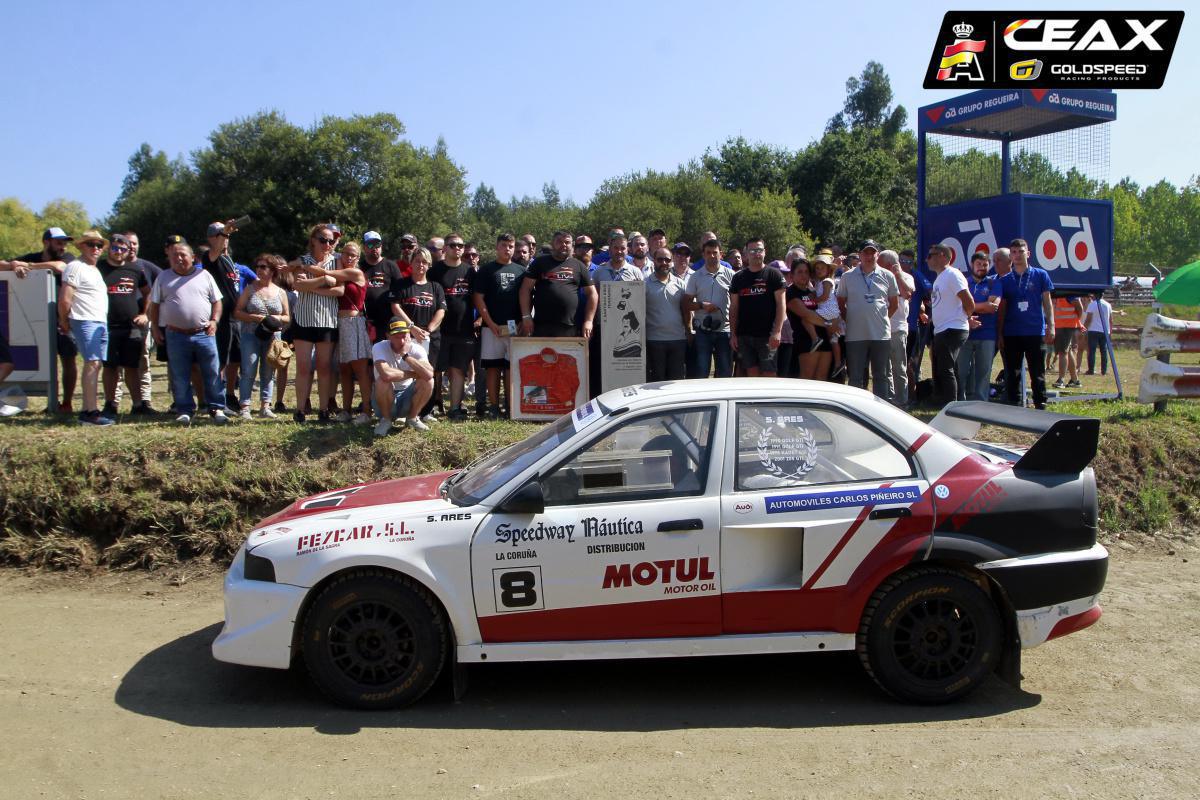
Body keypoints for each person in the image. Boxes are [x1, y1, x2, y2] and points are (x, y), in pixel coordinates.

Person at [149, 240, 227, 425]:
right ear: (169, 257)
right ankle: (184, 410)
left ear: (193, 257)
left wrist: (214, 321)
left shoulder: (204, 275)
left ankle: (216, 408)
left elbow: (217, 301)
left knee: (212, 372)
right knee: (179, 374)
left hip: (204, 332)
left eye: (183, 254)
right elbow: (155, 305)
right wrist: (154, 328)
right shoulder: (163, 277)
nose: (178, 258)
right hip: (175, 334)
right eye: (174, 255)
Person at [1, 228, 79, 411]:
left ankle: (66, 403)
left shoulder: (68, 258)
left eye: (64, 243)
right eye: (59, 242)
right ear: (46, 242)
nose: (63, 246)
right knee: (44, 361)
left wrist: (27, 266)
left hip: (63, 320)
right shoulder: (32, 256)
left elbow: (60, 267)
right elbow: (3, 264)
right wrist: (13, 265)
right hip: (36, 322)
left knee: (68, 360)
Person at [287, 224, 344, 423]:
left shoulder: (337, 262)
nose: (327, 244)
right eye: (322, 240)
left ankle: (323, 409)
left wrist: (312, 284)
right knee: (303, 367)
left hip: (327, 320)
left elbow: (340, 290)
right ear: (313, 240)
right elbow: (298, 285)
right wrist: (324, 280)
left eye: (330, 241)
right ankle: (300, 409)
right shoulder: (303, 261)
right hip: (304, 319)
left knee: (324, 367)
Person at [58, 231, 112, 425]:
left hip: (99, 321)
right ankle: (90, 412)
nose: (96, 248)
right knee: (92, 363)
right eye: (91, 244)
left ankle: (88, 409)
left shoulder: (94, 269)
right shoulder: (75, 266)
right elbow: (65, 299)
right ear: (81, 246)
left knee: (96, 365)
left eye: (99, 245)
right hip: (84, 320)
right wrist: (64, 321)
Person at [200, 221, 255, 409]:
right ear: (210, 239)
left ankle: (230, 395)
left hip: (235, 317)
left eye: (226, 236)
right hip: (220, 317)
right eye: (218, 235)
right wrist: (225, 232)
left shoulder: (230, 261)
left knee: (236, 358)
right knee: (221, 359)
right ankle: (217, 397)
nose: (224, 240)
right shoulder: (209, 258)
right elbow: (214, 252)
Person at [995, 238, 1055, 409]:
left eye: (1021, 251)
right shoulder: (1005, 280)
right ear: (1010, 257)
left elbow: (1047, 302)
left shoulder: (1040, 275)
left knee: (1037, 370)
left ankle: (1040, 402)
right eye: (1014, 252)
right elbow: (1002, 309)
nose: (1017, 255)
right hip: (1012, 331)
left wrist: (1051, 325)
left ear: (1028, 253)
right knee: (1012, 370)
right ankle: (1014, 403)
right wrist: (1000, 333)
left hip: (1035, 330)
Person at [836, 241, 897, 400]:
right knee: (855, 376)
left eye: (872, 253)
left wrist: (880, 319)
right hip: (855, 334)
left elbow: (894, 304)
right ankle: (856, 408)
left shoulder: (888, 275)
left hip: (881, 334)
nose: (869, 256)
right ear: (860, 254)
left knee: (881, 375)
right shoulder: (847, 277)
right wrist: (851, 318)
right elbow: (841, 303)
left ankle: (881, 409)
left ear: (877, 254)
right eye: (866, 253)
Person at [473, 234, 525, 418]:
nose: (508, 249)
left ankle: (511, 406)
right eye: (504, 245)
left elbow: (527, 297)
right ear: (497, 247)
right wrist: (489, 323)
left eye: (511, 246)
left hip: (514, 327)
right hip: (492, 327)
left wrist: (522, 321)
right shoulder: (487, 270)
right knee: (493, 368)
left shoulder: (521, 270)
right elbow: (478, 298)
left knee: (511, 368)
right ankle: (494, 407)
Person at [98, 233, 149, 417]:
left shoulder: (135, 269)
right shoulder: (99, 267)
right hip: (107, 325)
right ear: (108, 249)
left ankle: (138, 405)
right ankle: (110, 405)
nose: (118, 252)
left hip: (131, 327)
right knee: (110, 367)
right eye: (114, 248)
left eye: (122, 249)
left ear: (128, 251)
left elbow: (148, 292)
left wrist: (144, 313)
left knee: (132, 367)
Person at [393, 247, 445, 423]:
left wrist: (429, 329)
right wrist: (412, 327)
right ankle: (404, 410)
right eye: (417, 261)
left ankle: (426, 412)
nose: (420, 265)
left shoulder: (435, 287)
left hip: (429, 337)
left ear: (429, 265)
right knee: (406, 372)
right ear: (411, 263)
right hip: (407, 335)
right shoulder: (402, 284)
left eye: (424, 262)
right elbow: (395, 307)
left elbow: (441, 310)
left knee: (429, 372)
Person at [233, 254, 290, 418]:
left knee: (268, 371)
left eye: (263, 267)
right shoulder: (250, 289)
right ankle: (244, 406)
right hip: (250, 334)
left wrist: (276, 319)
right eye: (257, 266)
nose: (258, 270)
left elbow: (287, 317)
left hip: (273, 336)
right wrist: (253, 317)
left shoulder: (280, 292)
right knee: (248, 370)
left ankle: (266, 406)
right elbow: (237, 312)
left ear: (272, 271)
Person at [429, 233, 476, 420]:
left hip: (464, 329)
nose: (457, 248)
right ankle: (432, 405)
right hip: (440, 329)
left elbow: (478, 298)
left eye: (460, 245)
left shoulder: (470, 272)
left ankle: (454, 408)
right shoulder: (434, 271)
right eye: (453, 245)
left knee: (458, 370)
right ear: (445, 249)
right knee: (435, 370)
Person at [518, 230, 596, 338]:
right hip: (541, 325)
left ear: (572, 245)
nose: (563, 245)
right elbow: (525, 289)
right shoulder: (539, 262)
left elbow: (593, 294)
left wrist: (588, 321)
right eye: (559, 241)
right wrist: (526, 316)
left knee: (567, 355)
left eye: (567, 242)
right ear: (552, 244)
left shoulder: (579, 265)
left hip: (569, 327)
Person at [326, 242, 372, 423]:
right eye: (346, 254)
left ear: (358, 258)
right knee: (344, 369)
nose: (349, 258)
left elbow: (328, 274)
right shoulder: (343, 272)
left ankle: (366, 411)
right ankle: (346, 410)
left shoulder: (356, 273)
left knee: (360, 369)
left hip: (353, 323)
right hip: (339, 323)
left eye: (353, 255)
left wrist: (307, 267)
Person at [729, 238, 786, 377]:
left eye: (759, 250)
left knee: (769, 374)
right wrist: (733, 334)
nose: (756, 254)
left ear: (764, 252)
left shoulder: (774, 275)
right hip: (745, 336)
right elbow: (734, 307)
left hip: (768, 335)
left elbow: (781, 305)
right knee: (751, 376)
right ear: (746, 254)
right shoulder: (738, 278)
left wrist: (777, 331)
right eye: (752, 251)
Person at [927, 243, 974, 406]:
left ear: (943, 256)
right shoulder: (939, 278)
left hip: (953, 328)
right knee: (944, 368)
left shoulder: (953, 274)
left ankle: (950, 405)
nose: (927, 259)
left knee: (946, 369)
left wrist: (964, 317)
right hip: (942, 329)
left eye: (931, 255)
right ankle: (949, 402)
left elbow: (969, 301)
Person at [121, 230, 161, 413]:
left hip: (142, 323)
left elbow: (165, 281)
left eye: (135, 243)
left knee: (143, 362)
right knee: (119, 365)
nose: (131, 247)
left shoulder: (146, 267)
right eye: (128, 243)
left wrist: (148, 313)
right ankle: (114, 402)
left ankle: (145, 401)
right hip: (118, 323)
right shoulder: (114, 266)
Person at [372, 317, 433, 436]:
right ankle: (386, 420)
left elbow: (429, 374)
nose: (402, 341)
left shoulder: (417, 349)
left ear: (409, 335)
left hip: (407, 398)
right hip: (385, 399)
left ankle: (412, 418)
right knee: (381, 381)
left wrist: (405, 356)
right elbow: (386, 375)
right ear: (388, 336)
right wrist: (413, 373)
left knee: (428, 381)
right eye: (396, 337)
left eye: (404, 336)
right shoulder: (379, 347)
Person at [683, 238, 734, 378]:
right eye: (708, 252)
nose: (712, 255)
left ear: (721, 254)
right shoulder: (695, 277)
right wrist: (701, 305)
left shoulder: (731, 275)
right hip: (703, 330)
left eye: (715, 252)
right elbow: (686, 304)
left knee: (725, 371)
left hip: (725, 329)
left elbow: (737, 304)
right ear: (703, 254)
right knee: (701, 370)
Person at [957, 251, 999, 402]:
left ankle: (981, 405)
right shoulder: (964, 283)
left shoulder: (995, 283)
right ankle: (960, 403)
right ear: (972, 265)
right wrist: (980, 307)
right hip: (965, 332)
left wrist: (970, 306)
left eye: (985, 264)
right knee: (961, 371)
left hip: (987, 334)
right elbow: (958, 306)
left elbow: (993, 306)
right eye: (978, 264)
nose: (982, 267)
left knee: (983, 372)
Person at [644, 247, 689, 381]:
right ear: (654, 261)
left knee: (675, 382)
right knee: (656, 381)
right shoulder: (644, 284)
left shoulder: (681, 284)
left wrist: (689, 330)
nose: (664, 262)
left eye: (667, 260)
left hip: (678, 340)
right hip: (654, 340)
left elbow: (687, 311)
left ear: (672, 262)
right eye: (660, 259)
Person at [785, 258, 834, 380]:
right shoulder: (790, 292)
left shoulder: (813, 291)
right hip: (805, 342)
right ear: (792, 275)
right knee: (806, 380)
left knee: (821, 380)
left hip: (824, 339)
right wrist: (829, 323)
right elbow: (806, 314)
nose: (804, 275)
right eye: (800, 272)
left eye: (806, 272)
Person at [879, 249, 914, 406]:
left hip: (897, 327)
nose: (877, 266)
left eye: (881, 264)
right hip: (880, 328)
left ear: (890, 265)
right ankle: (888, 399)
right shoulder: (878, 276)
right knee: (884, 368)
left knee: (899, 367)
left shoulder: (906, 277)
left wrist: (898, 275)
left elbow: (907, 293)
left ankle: (902, 400)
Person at [361, 231, 403, 343]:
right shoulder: (359, 267)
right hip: (364, 321)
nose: (374, 248)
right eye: (370, 245)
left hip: (387, 321)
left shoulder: (391, 265)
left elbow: (400, 291)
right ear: (364, 247)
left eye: (377, 245)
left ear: (381, 247)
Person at [811, 252, 844, 377]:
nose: (819, 271)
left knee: (806, 318)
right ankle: (838, 362)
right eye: (817, 268)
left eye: (822, 268)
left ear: (828, 269)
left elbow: (824, 297)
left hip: (828, 310)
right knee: (833, 339)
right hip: (831, 312)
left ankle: (815, 339)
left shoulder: (827, 281)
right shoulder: (819, 282)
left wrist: (813, 300)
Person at [1051, 295, 1085, 389]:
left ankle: (1061, 379)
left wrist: (1077, 322)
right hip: (1062, 325)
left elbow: (1080, 308)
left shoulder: (1069, 294)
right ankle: (1075, 380)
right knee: (1068, 351)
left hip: (1066, 326)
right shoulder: (1061, 293)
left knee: (1063, 352)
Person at [1084, 292, 1114, 376]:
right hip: (1105, 330)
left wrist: (1084, 328)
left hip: (1093, 330)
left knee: (1092, 350)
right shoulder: (1108, 305)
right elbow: (1111, 320)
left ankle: (1091, 370)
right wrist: (1110, 331)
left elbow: (1088, 319)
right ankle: (1103, 370)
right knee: (1103, 351)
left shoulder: (1092, 304)